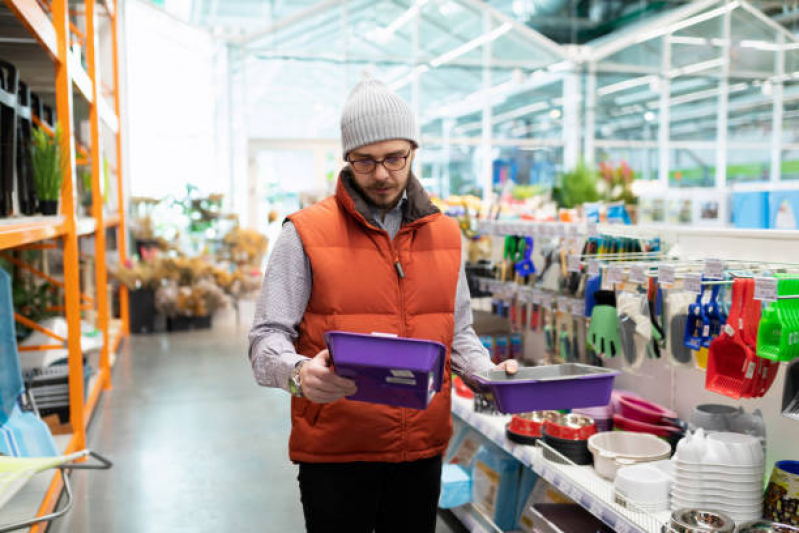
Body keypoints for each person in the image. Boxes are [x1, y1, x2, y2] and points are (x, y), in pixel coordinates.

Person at [248, 78, 518, 533]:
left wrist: (486, 375)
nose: (381, 174)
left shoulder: (447, 235)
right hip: (337, 451)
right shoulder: (304, 234)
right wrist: (298, 373)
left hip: (422, 449)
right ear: (347, 159)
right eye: (365, 160)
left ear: (413, 150)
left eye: (395, 158)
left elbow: (461, 331)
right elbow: (264, 339)